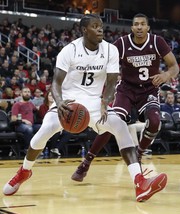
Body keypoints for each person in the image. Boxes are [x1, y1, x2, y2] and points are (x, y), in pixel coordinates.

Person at [3, 14, 167, 202]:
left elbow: (113, 82)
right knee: (45, 130)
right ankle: (24, 171)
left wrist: (106, 103)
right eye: (95, 26)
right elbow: (55, 84)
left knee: (120, 126)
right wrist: (59, 101)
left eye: (101, 26)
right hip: (69, 101)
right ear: (84, 30)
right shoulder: (69, 50)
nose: (100, 30)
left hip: (95, 103)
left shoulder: (110, 50)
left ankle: (140, 182)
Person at [71, 13, 179, 182]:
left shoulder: (157, 42)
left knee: (155, 122)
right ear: (132, 27)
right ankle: (86, 162)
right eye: (136, 24)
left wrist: (166, 75)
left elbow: (174, 67)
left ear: (148, 27)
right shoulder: (121, 43)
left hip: (148, 90)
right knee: (112, 122)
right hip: (126, 90)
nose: (139, 27)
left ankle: (139, 153)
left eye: (143, 24)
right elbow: (104, 62)